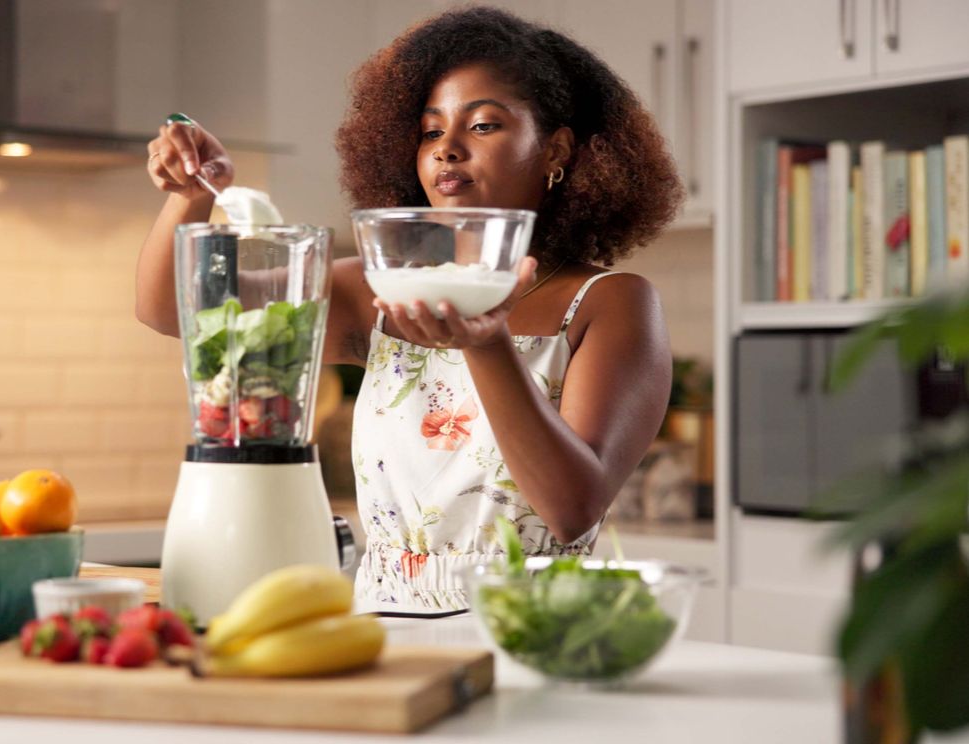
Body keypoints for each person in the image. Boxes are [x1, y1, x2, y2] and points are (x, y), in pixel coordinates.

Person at [136, 6, 681, 614]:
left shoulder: (609, 303)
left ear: (555, 149)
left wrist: (484, 342)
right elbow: (175, 310)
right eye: (430, 131)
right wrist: (190, 196)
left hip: (535, 631)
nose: (447, 150)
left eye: (482, 127)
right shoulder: (379, 291)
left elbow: (572, 508)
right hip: (383, 635)